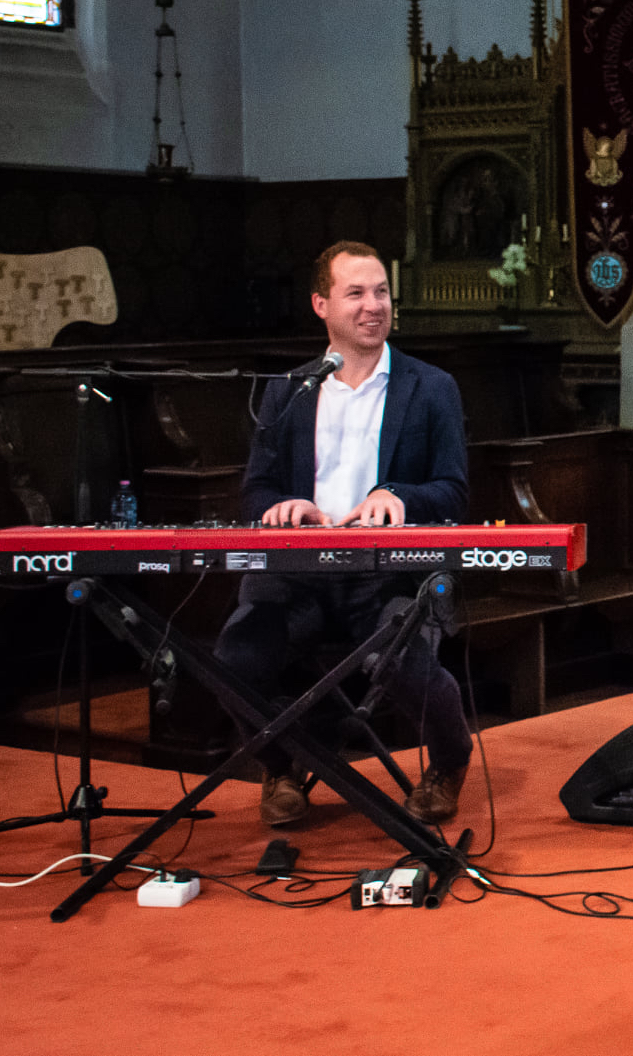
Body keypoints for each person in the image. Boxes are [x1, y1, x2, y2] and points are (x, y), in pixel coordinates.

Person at [216, 241, 473, 827]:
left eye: (380, 291)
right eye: (355, 293)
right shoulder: (288, 390)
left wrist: (399, 496)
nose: (372, 306)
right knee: (235, 655)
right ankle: (281, 766)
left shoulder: (431, 387)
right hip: (300, 576)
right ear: (321, 305)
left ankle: (450, 758)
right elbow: (254, 492)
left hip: (386, 573)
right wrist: (285, 506)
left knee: (403, 654)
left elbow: (454, 493)